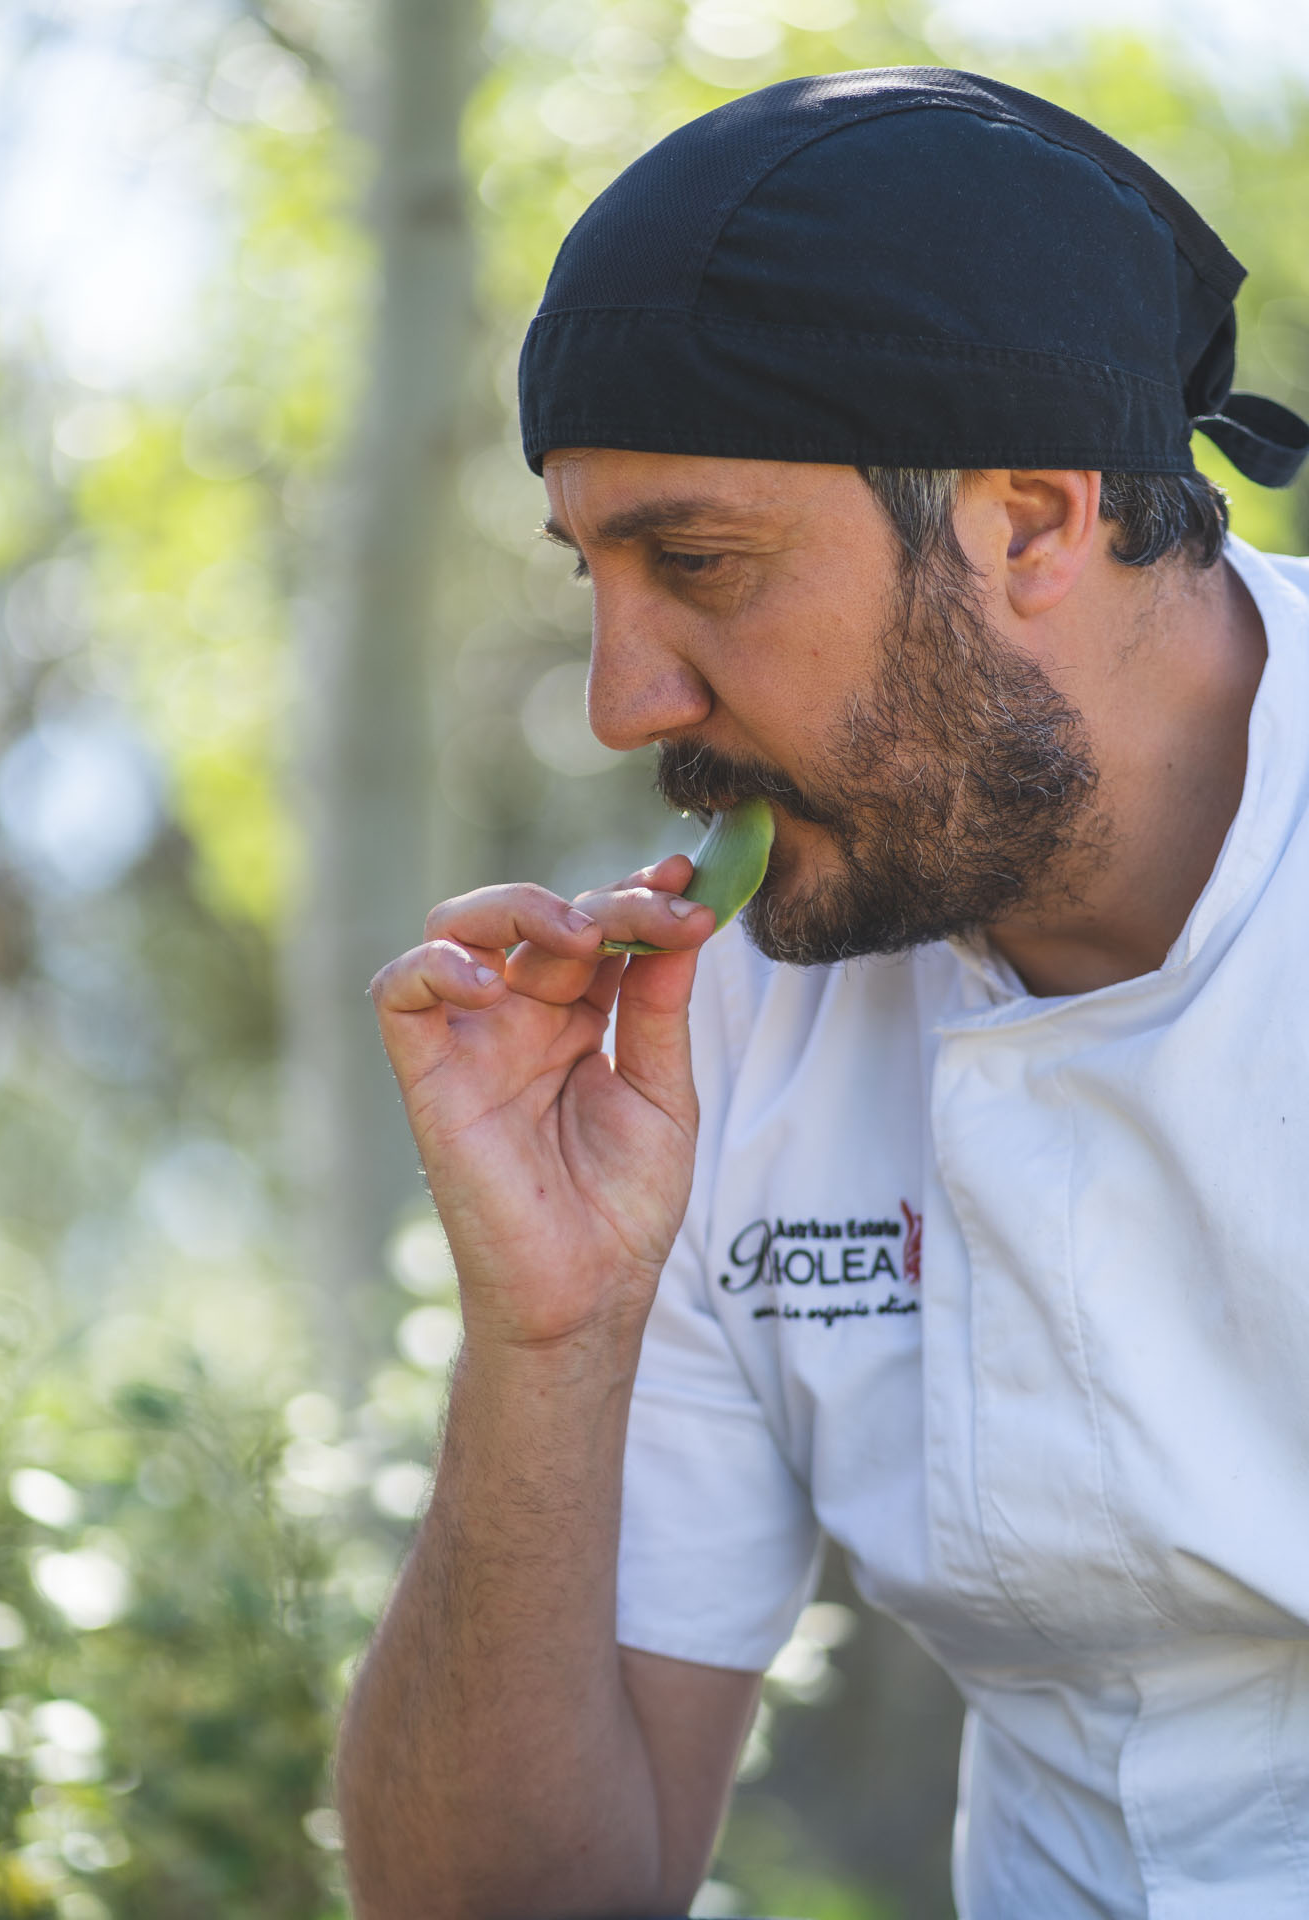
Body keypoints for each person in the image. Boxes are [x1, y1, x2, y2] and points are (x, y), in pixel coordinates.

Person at [334, 67, 1309, 1920]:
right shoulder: (713, 1034)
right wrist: (551, 1334)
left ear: (1031, 522)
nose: (623, 704)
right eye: (595, 577)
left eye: (699, 564)